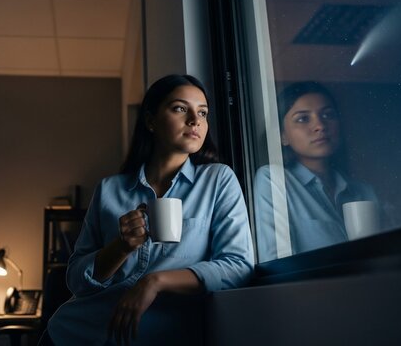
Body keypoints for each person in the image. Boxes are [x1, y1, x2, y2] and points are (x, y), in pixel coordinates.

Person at [43, 74, 254, 345]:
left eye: (202, 112)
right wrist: (121, 247)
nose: (195, 120)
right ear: (151, 120)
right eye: (180, 108)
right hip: (76, 334)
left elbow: (238, 267)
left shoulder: (218, 180)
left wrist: (154, 282)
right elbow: (76, 281)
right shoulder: (109, 190)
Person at [254, 81, 379, 262]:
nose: (320, 125)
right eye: (303, 119)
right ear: (283, 135)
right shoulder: (274, 180)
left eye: (328, 115)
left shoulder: (363, 191)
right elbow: (276, 261)